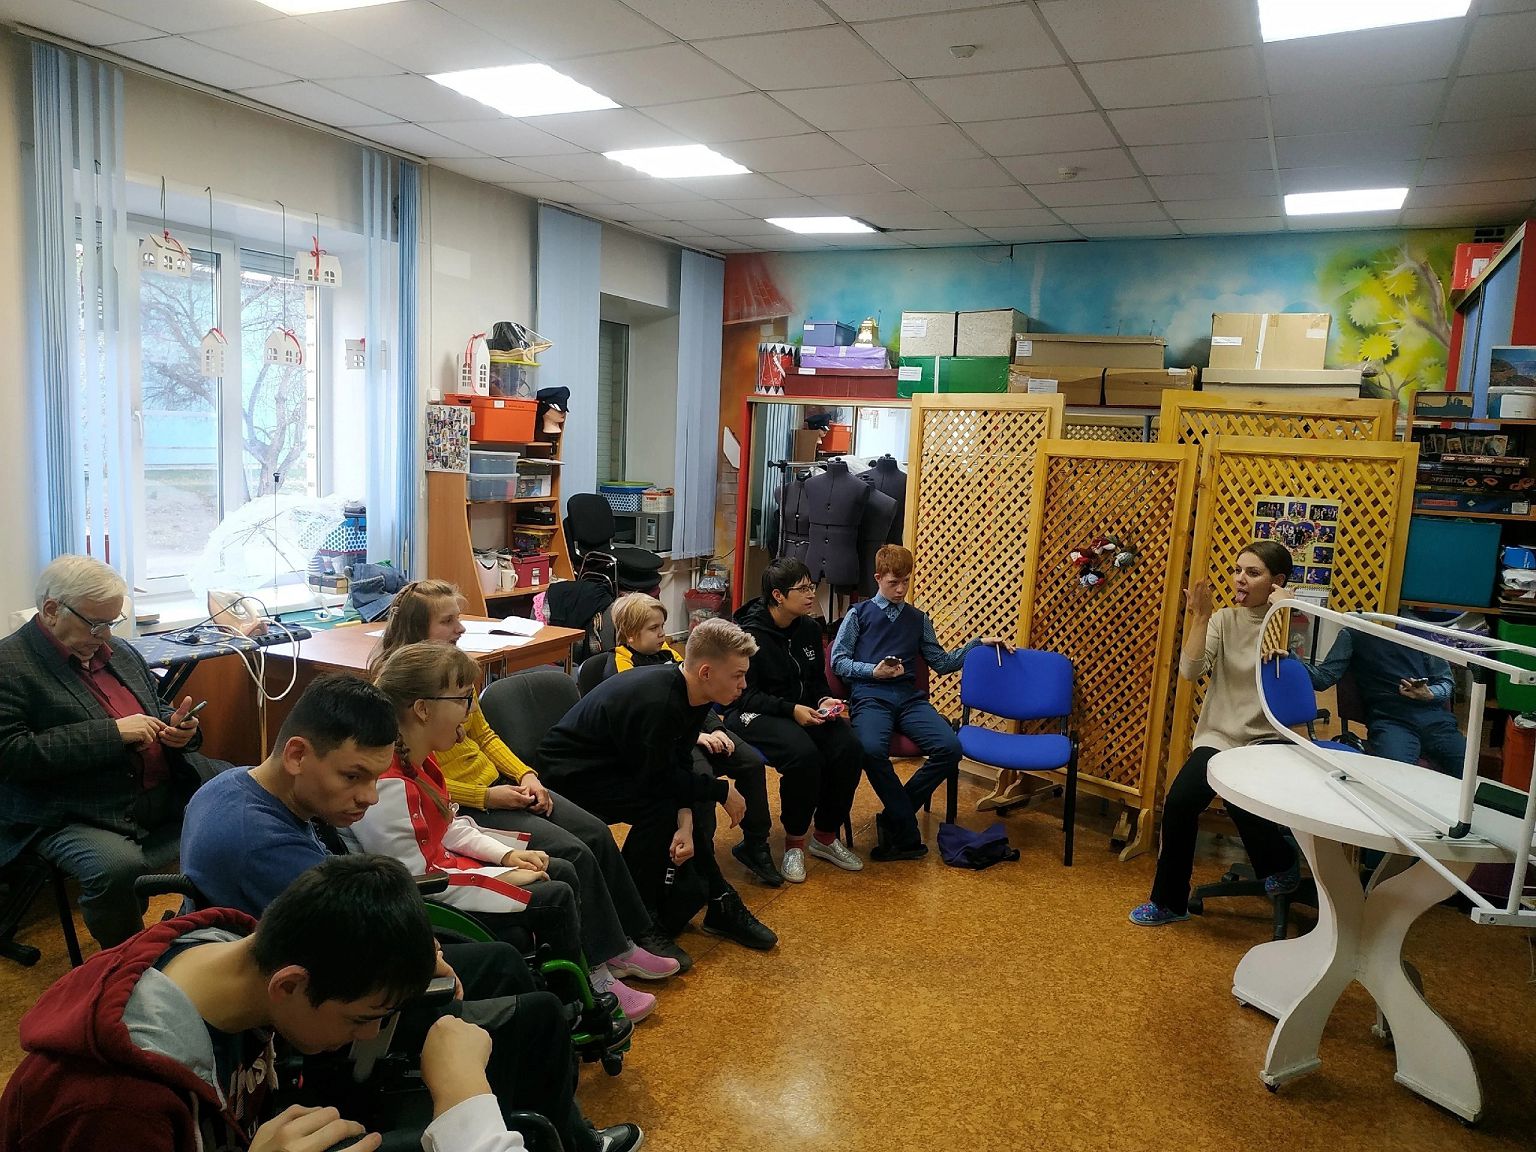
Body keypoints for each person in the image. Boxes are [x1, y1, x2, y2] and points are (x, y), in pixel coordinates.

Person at [179, 673, 641, 1152]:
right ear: (296, 754)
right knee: (538, 1016)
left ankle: (528, 1113)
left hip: (323, 953)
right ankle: (544, 1131)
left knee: (503, 961)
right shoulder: (261, 845)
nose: (369, 796)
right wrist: (426, 952)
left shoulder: (238, 783)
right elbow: (360, 932)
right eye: (353, 776)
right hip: (320, 1000)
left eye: (374, 778)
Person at [0, 853, 524, 1151]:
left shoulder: (239, 957)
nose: (370, 1032)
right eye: (362, 1018)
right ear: (289, 986)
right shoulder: (112, 1107)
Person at [369, 581, 687, 986]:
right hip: (473, 801)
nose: (460, 628)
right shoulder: (406, 691)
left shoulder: (452, 673)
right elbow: (423, 781)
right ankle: (602, 957)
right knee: (574, 852)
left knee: (595, 832)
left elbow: (485, 736)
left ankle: (630, 936)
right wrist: (487, 795)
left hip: (497, 785)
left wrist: (525, 774)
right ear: (418, 629)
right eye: (448, 621)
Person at [0, 554, 218, 947]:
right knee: (116, 867)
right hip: (73, 808)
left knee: (245, 788)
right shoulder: (9, 665)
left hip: (154, 788)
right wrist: (112, 734)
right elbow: (12, 754)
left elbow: (155, 708)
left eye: (111, 623)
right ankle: (126, 962)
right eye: (96, 623)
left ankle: (218, 924)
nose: (105, 635)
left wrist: (181, 729)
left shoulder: (118, 651)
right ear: (51, 610)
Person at [538, 617, 778, 952]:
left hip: (619, 765)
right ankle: (638, 922)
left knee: (679, 805)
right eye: (737, 675)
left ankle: (718, 899)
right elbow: (658, 780)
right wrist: (721, 791)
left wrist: (687, 819)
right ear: (706, 672)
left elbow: (676, 761)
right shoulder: (659, 702)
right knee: (660, 810)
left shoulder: (693, 693)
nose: (743, 684)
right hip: (570, 774)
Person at [1129, 540, 1302, 927]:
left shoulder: (1290, 618)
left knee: (1242, 801)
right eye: (1238, 570)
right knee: (1180, 802)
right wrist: (1201, 617)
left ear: (1276, 581)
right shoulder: (1224, 620)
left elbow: (1293, 674)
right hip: (1220, 736)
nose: (1240, 579)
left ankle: (1281, 863)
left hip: (1265, 739)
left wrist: (1284, 611)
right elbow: (1190, 671)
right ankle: (1169, 902)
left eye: (1252, 573)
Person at [830, 545, 1014, 861]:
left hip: (909, 699)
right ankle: (904, 824)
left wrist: (976, 645)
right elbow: (838, 661)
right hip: (871, 697)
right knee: (870, 750)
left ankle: (894, 817)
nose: (901, 589)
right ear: (878, 578)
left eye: (905, 582)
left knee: (950, 748)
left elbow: (941, 662)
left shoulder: (918, 619)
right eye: (893, 583)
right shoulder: (858, 614)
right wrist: (873, 671)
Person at [601, 592, 780, 889]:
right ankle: (703, 864)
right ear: (630, 634)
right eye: (653, 628)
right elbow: (648, 723)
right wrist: (697, 736)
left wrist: (717, 729)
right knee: (701, 779)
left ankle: (756, 843)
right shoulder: (622, 665)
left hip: (695, 730)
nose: (663, 634)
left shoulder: (670, 654)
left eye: (662, 626)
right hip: (667, 742)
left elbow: (700, 695)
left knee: (750, 761)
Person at [730, 558, 865, 883]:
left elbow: (816, 680)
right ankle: (794, 843)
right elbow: (743, 695)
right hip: (753, 713)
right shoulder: (748, 635)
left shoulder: (809, 629)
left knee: (849, 747)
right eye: (802, 589)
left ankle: (825, 836)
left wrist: (823, 700)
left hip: (801, 711)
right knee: (804, 755)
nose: (811, 594)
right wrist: (792, 710)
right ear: (778, 595)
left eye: (811, 587)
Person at [1305, 622, 1467, 775]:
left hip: (1434, 719)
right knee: (1394, 774)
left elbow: (1446, 682)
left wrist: (1430, 693)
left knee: (1468, 767)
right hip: (1390, 720)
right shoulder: (1354, 634)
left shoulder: (1421, 633)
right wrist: (1293, 660)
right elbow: (1324, 678)